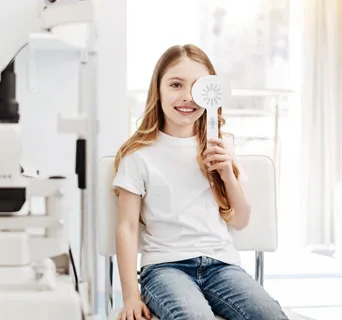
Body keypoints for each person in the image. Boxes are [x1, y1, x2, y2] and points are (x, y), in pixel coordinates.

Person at [112, 44, 289, 320]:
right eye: (175, 85)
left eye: (197, 87)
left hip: (222, 266)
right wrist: (130, 297)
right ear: (157, 90)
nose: (187, 97)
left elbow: (241, 220)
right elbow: (126, 227)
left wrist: (227, 172)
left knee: (272, 316)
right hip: (165, 268)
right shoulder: (138, 156)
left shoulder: (221, 145)